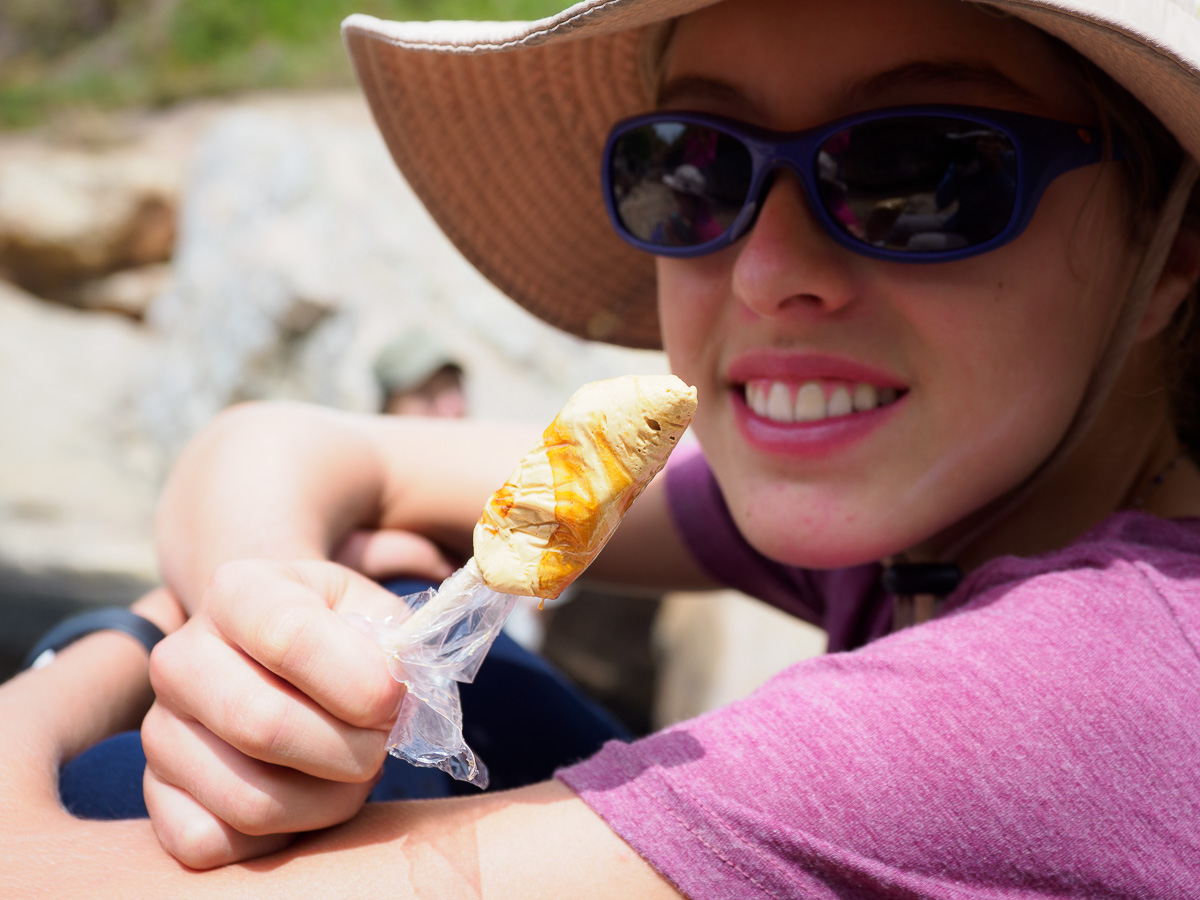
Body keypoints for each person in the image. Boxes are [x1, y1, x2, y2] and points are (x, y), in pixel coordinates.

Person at [4, 0, 1200, 895]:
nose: (767, 271)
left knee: (103, 779)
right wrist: (272, 627)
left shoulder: (1087, 687)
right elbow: (285, 444)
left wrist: (101, 655)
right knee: (396, 601)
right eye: (691, 166)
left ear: (1171, 250)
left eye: (917, 173)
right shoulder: (957, 504)